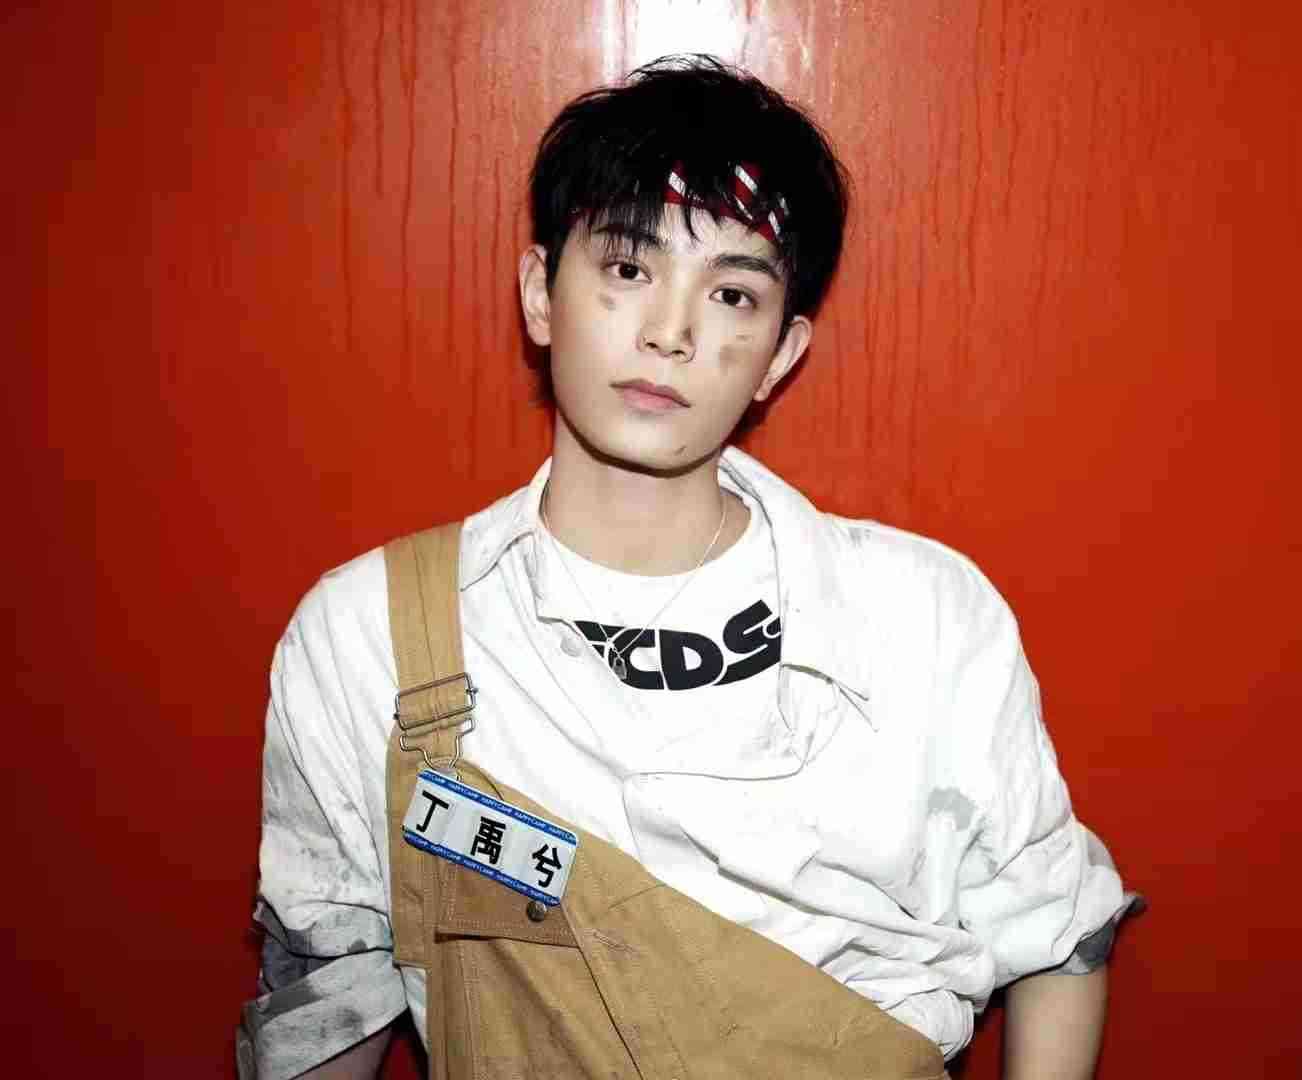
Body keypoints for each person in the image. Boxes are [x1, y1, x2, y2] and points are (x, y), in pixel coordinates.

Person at [238, 55, 1137, 1080]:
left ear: (782, 353)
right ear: (540, 293)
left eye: (733, 294)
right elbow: (328, 993)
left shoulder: (925, 616)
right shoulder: (370, 635)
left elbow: (1055, 923)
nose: (670, 333)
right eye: (629, 270)